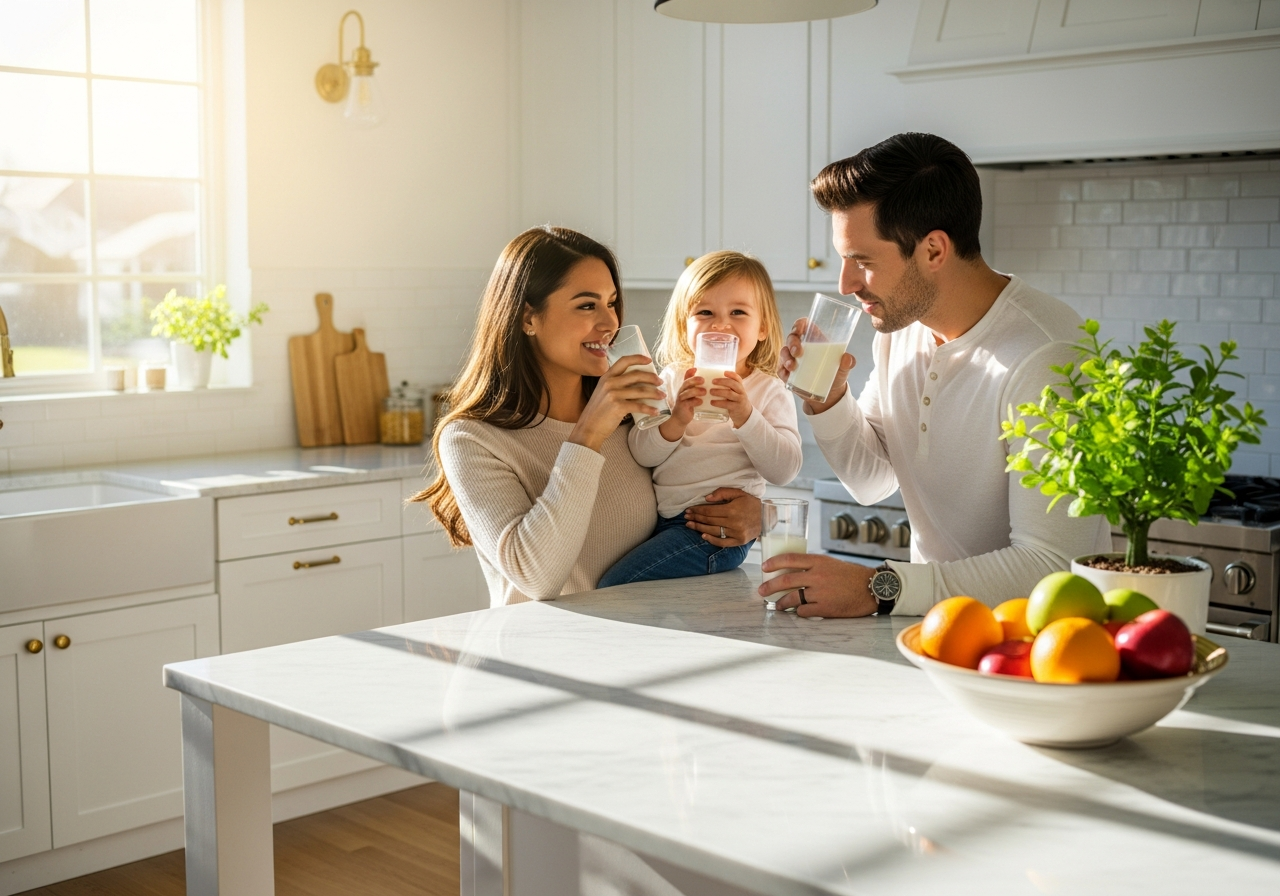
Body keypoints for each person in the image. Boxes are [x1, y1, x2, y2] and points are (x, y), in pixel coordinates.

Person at [759, 132, 1111, 618]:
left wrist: (878, 587)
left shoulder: (1048, 357)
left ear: (933, 250)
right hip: (941, 631)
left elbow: (1050, 564)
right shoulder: (901, 332)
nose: (845, 283)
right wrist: (829, 399)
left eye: (862, 261)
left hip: (1042, 641)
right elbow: (872, 480)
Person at [413, 226, 761, 606]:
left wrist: (757, 516)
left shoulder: (638, 416)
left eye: (611, 303)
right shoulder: (471, 439)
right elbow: (537, 579)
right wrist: (588, 433)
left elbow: (697, 489)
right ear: (528, 317)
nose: (610, 323)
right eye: (586, 305)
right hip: (545, 643)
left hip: (641, 636)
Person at [597, 251, 802, 587]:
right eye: (705, 313)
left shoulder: (768, 390)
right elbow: (643, 453)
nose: (720, 325)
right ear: (685, 326)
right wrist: (676, 419)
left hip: (716, 533)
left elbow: (784, 470)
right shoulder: (672, 380)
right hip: (666, 523)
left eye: (738, 312)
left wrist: (745, 415)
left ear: (762, 327)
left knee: (616, 585)